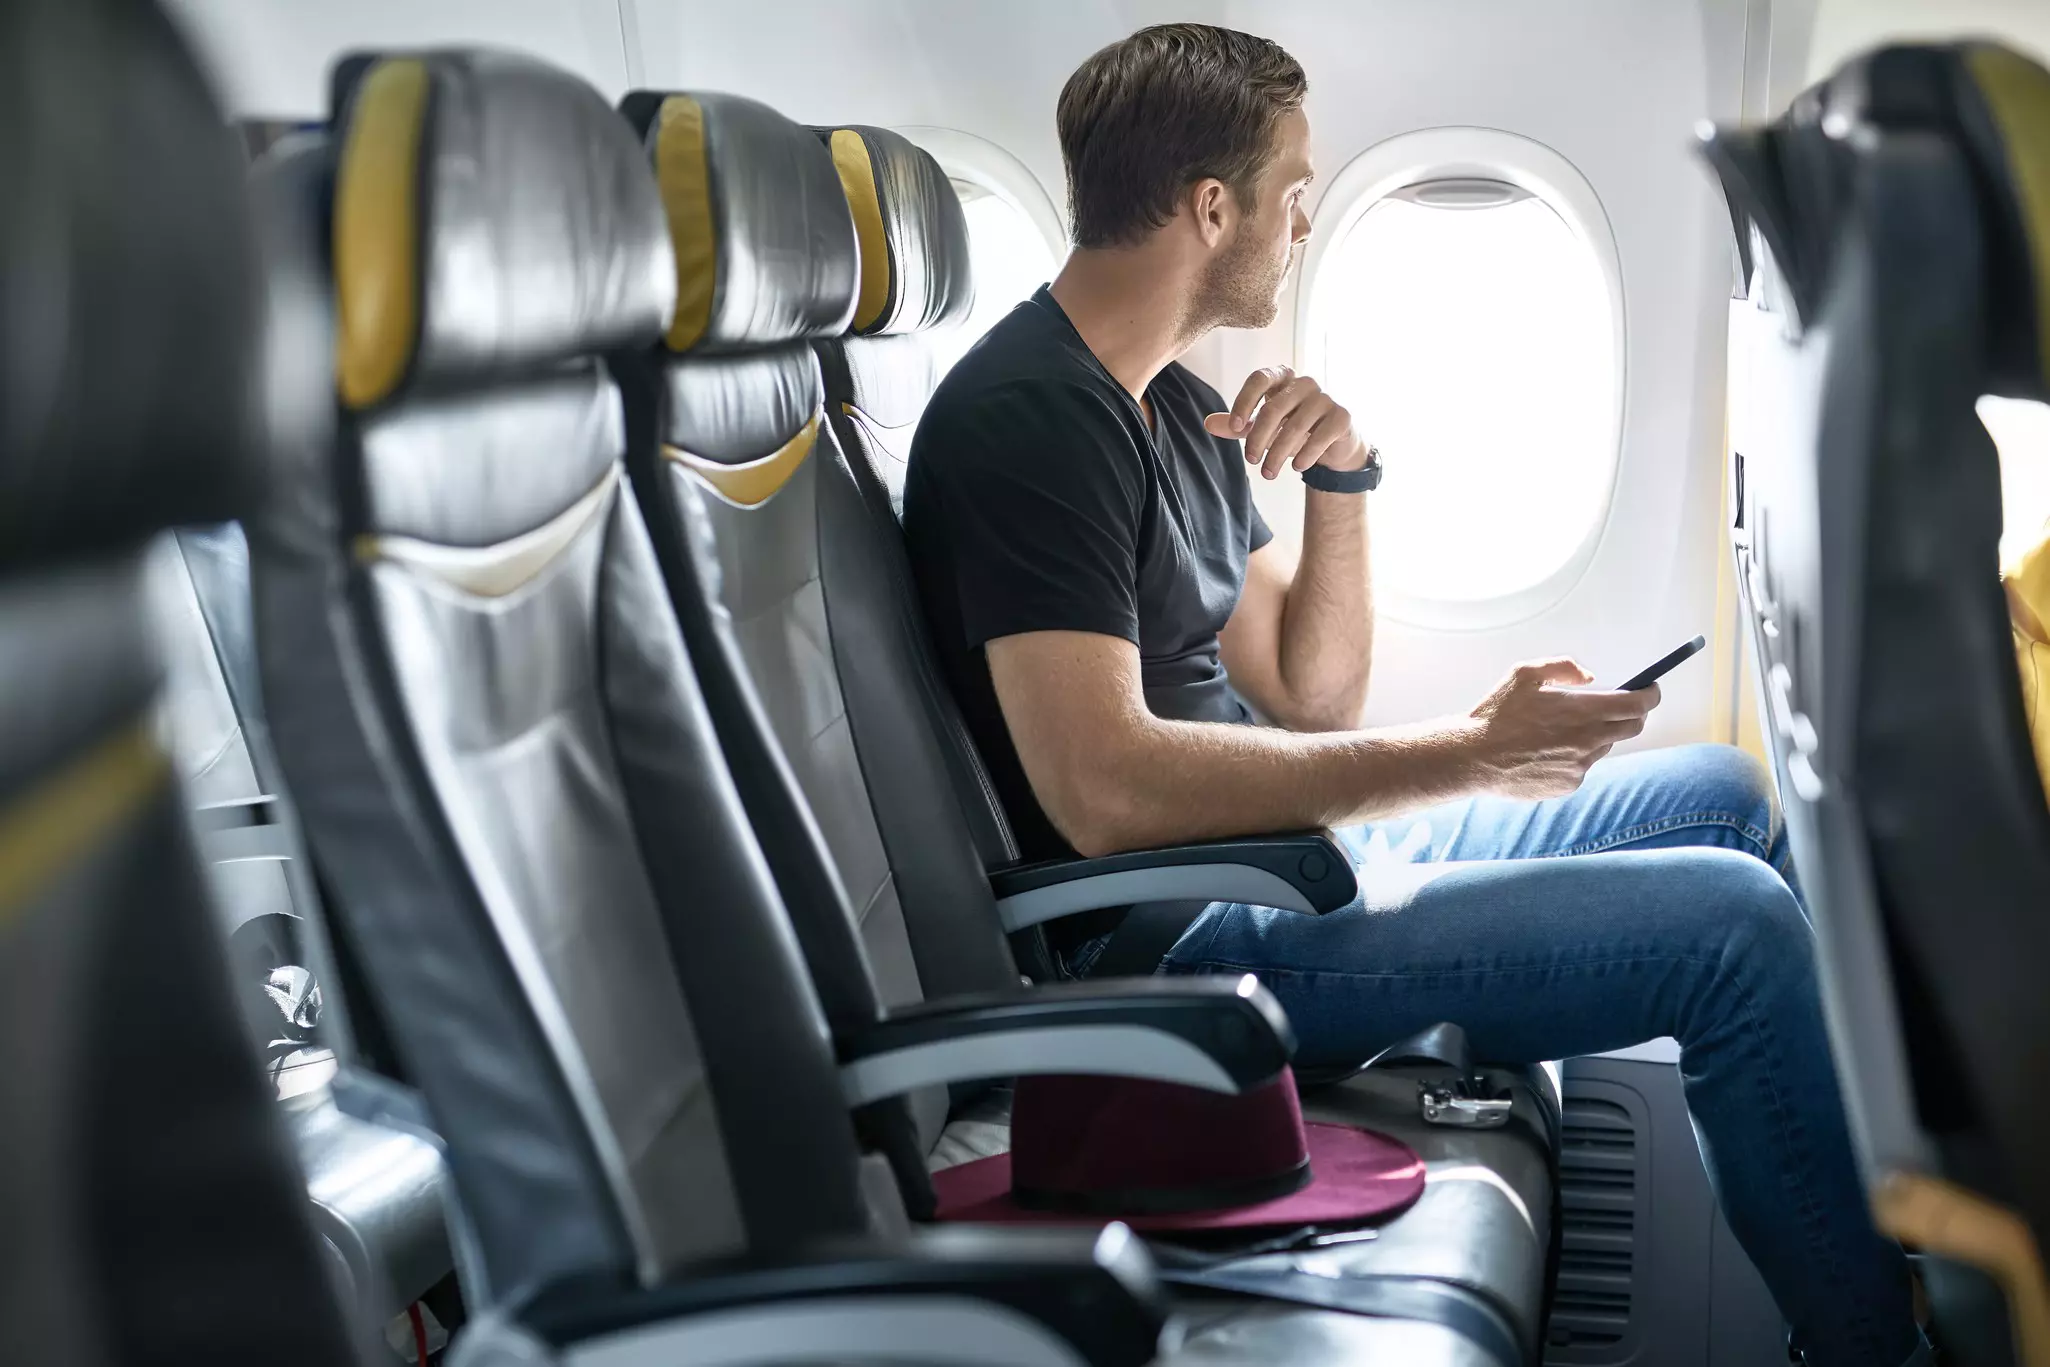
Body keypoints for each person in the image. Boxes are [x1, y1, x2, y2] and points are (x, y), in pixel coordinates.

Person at [903, 22, 1929, 1367]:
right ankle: (1875, 1348)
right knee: (1731, 929)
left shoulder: (1160, 407)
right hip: (1177, 939)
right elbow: (1103, 791)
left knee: (1725, 792)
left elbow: (1308, 687)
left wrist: (1343, 476)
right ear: (1213, 209)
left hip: (1282, 864)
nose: (1304, 219)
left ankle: (1900, 1224)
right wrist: (1472, 751)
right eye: (1293, 189)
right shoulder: (1032, 423)